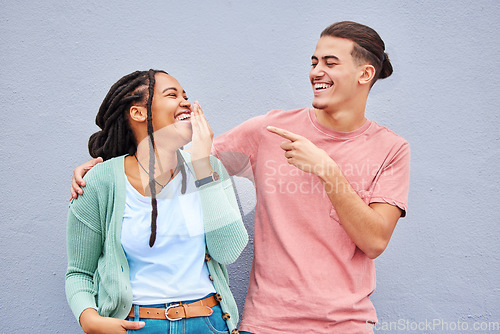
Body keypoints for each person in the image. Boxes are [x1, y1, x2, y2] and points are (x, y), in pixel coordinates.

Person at [71, 21, 410, 334]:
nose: (316, 72)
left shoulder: (391, 149)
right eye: (313, 61)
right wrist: (107, 163)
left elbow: (374, 241)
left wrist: (327, 170)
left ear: (365, 74)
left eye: (330, 63)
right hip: (266, 323)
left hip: (347, 325)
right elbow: (183, 164)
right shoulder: (269, 131)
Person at [66, 69, 248, 334]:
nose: (185, 101)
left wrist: (201, 166)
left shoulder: (210, 168)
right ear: (138, 113)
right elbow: (79, 273)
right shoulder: (100, 182)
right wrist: (89, 319)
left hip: (209, 323)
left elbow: (228, 251)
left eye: (186, 95)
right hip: (137, 325)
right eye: (172, 94)